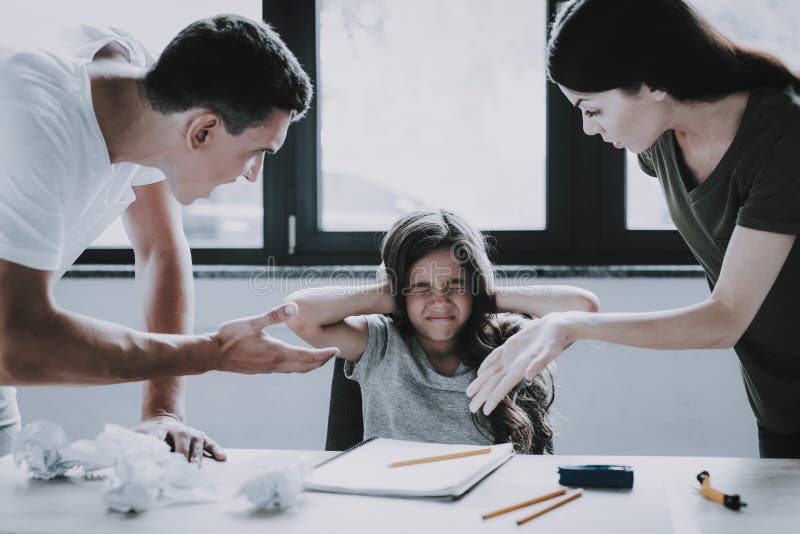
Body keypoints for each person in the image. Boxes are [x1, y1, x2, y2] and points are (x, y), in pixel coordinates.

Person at [466, 0, 800, 458]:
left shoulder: (784, 136)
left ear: (651, 83)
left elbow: (725, 318)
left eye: (593, 108)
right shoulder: (659, 139)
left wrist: (575, 325)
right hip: (779, 400)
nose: (586, 129)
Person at [0, 15, 339, 459]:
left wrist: (163, 412)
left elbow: (160, 249)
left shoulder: (143, 102)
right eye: (257, 153)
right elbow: (15, 342)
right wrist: (212, 352)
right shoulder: (31, 118)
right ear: (202, 131)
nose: (254, 176)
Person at [285, 210, 598, 453]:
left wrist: (484, 294)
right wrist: (387, 292)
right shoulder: (378, 342)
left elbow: (583, 308)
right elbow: (298, 313)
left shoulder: (509, 340)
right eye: (420, 286)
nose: (439, 301)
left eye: (455, 285)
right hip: (395, 504)